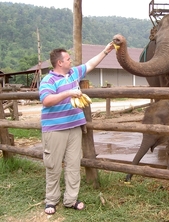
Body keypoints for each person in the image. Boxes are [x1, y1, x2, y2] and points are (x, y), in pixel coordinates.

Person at [39, 42, 115, 215]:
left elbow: (91, 64)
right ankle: (51, 200)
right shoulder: (48, 80)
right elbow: (46, 100)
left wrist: (105, 51)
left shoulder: (73, 73)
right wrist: (68, 93)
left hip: (74, 127)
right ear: (59, 62)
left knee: (73, 165)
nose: (70, 61)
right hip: (54, 129)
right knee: (53, 165)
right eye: (67, 58)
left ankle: (70, 199)